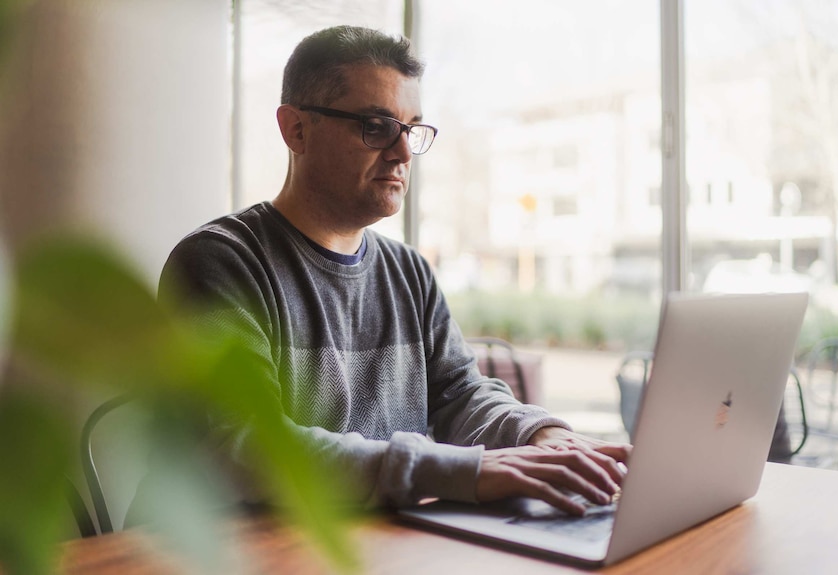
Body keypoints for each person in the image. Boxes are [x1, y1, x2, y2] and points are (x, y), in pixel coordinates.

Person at [159, 25, 630, 516]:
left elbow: (459, 396)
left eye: (411, 130)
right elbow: (243, 447)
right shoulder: (219, 263)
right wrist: (462, 472)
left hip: (381, 542)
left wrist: (543, 436)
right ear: (295, 129)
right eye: (376, 126)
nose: (403, 153)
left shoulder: (409, 272)